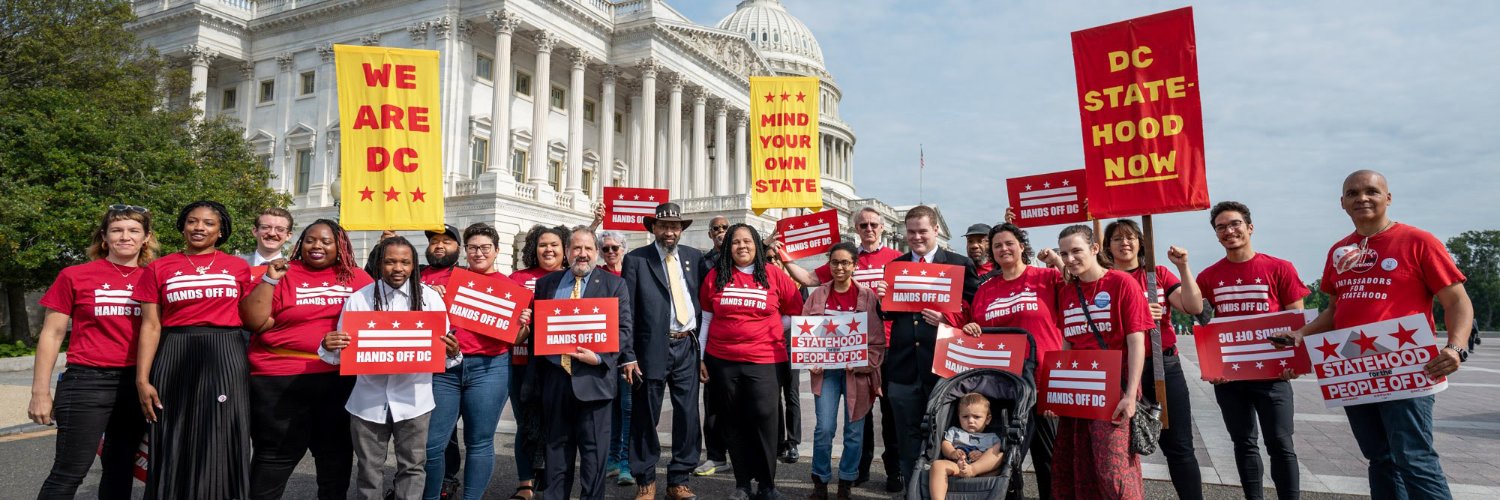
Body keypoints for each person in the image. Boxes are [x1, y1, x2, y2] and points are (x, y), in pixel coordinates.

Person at [1280, 170, 1473, 499]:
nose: (1362, 198)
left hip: (1405, 367)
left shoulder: (1418, 241)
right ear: (1342, 203)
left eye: (1371, 191)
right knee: (1379, 458)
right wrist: (1302, 333)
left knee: (1414, 458)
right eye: (1352, 193)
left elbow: (1457, 302)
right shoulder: (1339, 251)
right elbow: (1335, 310)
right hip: (1353, 370)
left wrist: (1456, 348)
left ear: (1388, 198)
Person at [319, 236, 461, 500]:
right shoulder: (359, 300)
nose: (398, 268)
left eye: (405, 262)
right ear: (379, 264)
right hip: (368, 402)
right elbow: (339, 357)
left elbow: (443, 357)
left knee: (413, 468)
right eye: (390, 261)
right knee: (369, 471)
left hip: (414, 400)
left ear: (414, 264)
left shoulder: (430, 299)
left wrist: (453, 352)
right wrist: (328, 346)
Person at [241, 219, 372, 500]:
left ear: (341, 247)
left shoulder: (358, 278)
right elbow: (254, 322)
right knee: (275, 455)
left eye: (326, 241)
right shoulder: (281, 272)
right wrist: (268, 280)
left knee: (335, 455)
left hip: (338, 380)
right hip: (278, 378)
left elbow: (384, 316)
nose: (317, 246)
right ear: (300, 243)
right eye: (311, 240)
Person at [32, 204, 156, 499]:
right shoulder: (75, 275)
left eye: (133, 230)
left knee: (120, 468)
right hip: (86, 382)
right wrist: (40, 391)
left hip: (137, 384)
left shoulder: (156, 276)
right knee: (69, 470)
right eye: (117, 230)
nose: (125, 237)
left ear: (146, 238)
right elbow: (52, 334)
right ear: (104, 237)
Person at [131, 200, 253, 498]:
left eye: (208, 223)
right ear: (182, 226)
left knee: (221, 431)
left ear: (221, 230)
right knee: (174, 432)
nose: (199, 227)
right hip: (174, 352)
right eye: (192, 221)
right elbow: (150, 326)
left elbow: (253, 315)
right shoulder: (158, 268)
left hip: (225, 351)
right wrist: (142, 379)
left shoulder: (238, 266)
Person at [781, 206, 904, 491]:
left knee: (885, 417)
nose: (869, 228)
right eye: (863, 224)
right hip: (834, 364)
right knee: (839, 425)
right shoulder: (834, 272)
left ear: (883, 227)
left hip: (883, 349)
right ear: (856, 228)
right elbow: (809, 281)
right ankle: (854, 472)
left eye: (874, 224)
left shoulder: (896, 259)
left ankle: (892, 471)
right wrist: (785, 257)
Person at [1194, 201, 1307, 500]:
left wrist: (1294, 362)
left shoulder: (1279, 268)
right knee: (1243, 443)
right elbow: (1205, 326)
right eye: (1221, 227)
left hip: (1273, 375)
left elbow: (1296, 322)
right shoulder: (1207, 277)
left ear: (1249, 227)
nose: (1229, 231)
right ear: (1216, 235)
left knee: (1281, 444)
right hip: (1231, 379)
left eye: (1234, 224)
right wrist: (1211, 367)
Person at [955, 223, 1062, 500]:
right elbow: (975, 328)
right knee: (1006, 458)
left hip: (1042, 382)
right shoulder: (986, 289)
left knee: (1049, 458)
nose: (1004, 249)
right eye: (997, 245)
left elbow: (1079, 288)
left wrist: (1059, 261)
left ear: (1022, 246)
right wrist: (970, 329)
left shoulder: (1048, 277)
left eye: (1009, 243)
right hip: (1002, 386)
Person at [1101, 218, 1204, 500]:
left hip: (1161, 367)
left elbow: (1193, 306)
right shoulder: (1103, 279)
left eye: (1131, 237)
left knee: (1179, 447)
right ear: (1107, 247)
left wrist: (1183, 266)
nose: (1125, 243)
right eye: (1117, 238)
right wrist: (1139, 313)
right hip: (1120, 371)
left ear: (1140, 242)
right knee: (1117, 448)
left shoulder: (1156, 274)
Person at [699, 223, 805, 499]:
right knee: (733, 422)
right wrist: (701, 357)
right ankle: (742, 483)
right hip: (722, 361)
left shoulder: (774, 275)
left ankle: (767, 485)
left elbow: (794, 312)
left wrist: (765, 331)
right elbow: (707, 319)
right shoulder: (714, 276)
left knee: (765, 420)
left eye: (747, 241)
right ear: (728, 248)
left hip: (765, 360)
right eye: (736, 242)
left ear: (757, 244)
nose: (741, 246)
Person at [879, 205, 980, 487]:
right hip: (903, 366)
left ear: (936, 230)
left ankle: (942, 489)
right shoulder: (894, 267)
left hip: (944, 366)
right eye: (910, 232)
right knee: (907, 434)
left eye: (922, 231)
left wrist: (947, 319)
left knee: (944, 434)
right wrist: (880, 300)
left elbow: (976, 310)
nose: (916, 237)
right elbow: (888, 315)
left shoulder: (959, 264)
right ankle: (913, 489)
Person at [532, 227, 634, 500]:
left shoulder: (615, 285)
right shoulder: (547, 285)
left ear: (596, 253)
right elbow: (538, 330)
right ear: (567, 252)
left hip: (594, 381)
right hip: (556, 380)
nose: (582, 254)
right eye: (576, 248)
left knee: (594, 458)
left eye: (588, 249)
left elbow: (624, 330)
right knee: (556, 455)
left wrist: (600, 358)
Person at [1049, 224, 1149, 500]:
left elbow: (1136, 341)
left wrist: (1131, 395)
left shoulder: (1121, 283)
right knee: (1079, 463)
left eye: (1076, 251)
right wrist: (1059, 394)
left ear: (1094, 249)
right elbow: (1068, 342)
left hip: (1114, 386)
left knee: (1113, 467)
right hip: (1079, 388)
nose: (1070, 259)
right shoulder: (1068, 290)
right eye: (1064, 253)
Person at [424, 224, 520, 500]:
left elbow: (516, 336)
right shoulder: (450, 280)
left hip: (490, 369)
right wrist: (435, 297)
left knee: (479, 442)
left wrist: (523, 324)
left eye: (485, 248)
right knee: (433, 444)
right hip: (446, 369)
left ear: (496, 251)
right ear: (466, 251)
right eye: (473, 248)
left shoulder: (511, 287)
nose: (478, 253)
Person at [619, 203, 704, 500]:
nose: (669, 231)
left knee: (688, 415)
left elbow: (707, 296)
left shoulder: (694, 258)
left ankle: (679, 479)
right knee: (645, 415)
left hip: (687, 345)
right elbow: (625, 310)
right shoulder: (636, 260)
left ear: (681, 230)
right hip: (650, 348)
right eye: (664, 226)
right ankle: (645, 479)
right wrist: (627, 354)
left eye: (675, 227)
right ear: (653, 228)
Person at [802, 242, 885, 500]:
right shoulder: (818, 295)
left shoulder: (867, 296)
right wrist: (810, 357)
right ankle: (820, 481)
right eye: (834, 262)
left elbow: (877, 340)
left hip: (855, 373)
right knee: (824, 428)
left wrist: (862, 363)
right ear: (829, 265)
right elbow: (805, 333)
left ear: (854, 265)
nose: (839, 267)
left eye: (845, 263)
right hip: (825, 373)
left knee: (853, 431)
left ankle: (846, 482)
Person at [507, 224, 570, 500]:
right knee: (526, 425)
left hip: (558, 365)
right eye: (543, 244)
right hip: (522, 363)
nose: (549, 249)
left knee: (556, 426)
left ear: (564, 249)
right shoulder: (517, 278)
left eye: (555, 245)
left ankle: (551, 481)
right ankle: (525, 483)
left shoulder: (573, 278)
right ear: (534, 248)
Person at [594, 229, 635, 486]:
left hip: (628, 352)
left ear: (623, 249)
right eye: (606, 248)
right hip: (603, 353)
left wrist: (631, 353)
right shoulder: (596, 275)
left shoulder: (632, 274)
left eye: (614, 248)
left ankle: (626, 464)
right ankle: (611, 458)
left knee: (628, 409)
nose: (610, 252)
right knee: (610, 409)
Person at [695, 215, 734, 478]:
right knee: (712, 405)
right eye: (716, 229)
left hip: (743, 343)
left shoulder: (747, 260)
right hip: (713, 340)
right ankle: (716, 455)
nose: (720, 232)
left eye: (725, 228)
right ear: (710, 234)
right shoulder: (703, 262)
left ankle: (744, 455)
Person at [764, 241, 804, 466]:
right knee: (772, 395)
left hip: (792, 343)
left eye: (777, 258)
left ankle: (793, 441)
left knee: (792, 394)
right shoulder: (761, 281)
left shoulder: (798, 283)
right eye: (768, 258)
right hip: (768, 345)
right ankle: (778, 441)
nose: (773, 262)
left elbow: (805, 312)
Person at [929, 394, 1006, 500]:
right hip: (956, 466)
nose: (970, 420)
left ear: (987, 419)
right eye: (965, 417)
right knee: (938, 465)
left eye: (976, 417)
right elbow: (945, 444)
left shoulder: (992, 437)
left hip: (980, 468)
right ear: (959, 417)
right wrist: (952, 452)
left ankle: (973, 470)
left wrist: (983, 455)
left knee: (1000, 453)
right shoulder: (955, 431)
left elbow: (994, 455)